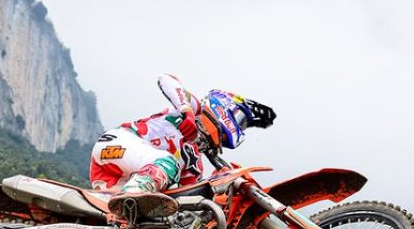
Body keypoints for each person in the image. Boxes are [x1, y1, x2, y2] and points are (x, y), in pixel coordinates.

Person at [89, 74, 276, 212]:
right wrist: (187, 111)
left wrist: (216, 199)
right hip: (116, 145)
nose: (240, 129)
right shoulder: (194, 109)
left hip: (115, 179)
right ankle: (128, 199)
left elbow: (181, 198)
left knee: (161, 214)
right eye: (241, 121)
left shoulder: (195, 165)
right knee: (167, 162)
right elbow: (166, 79)